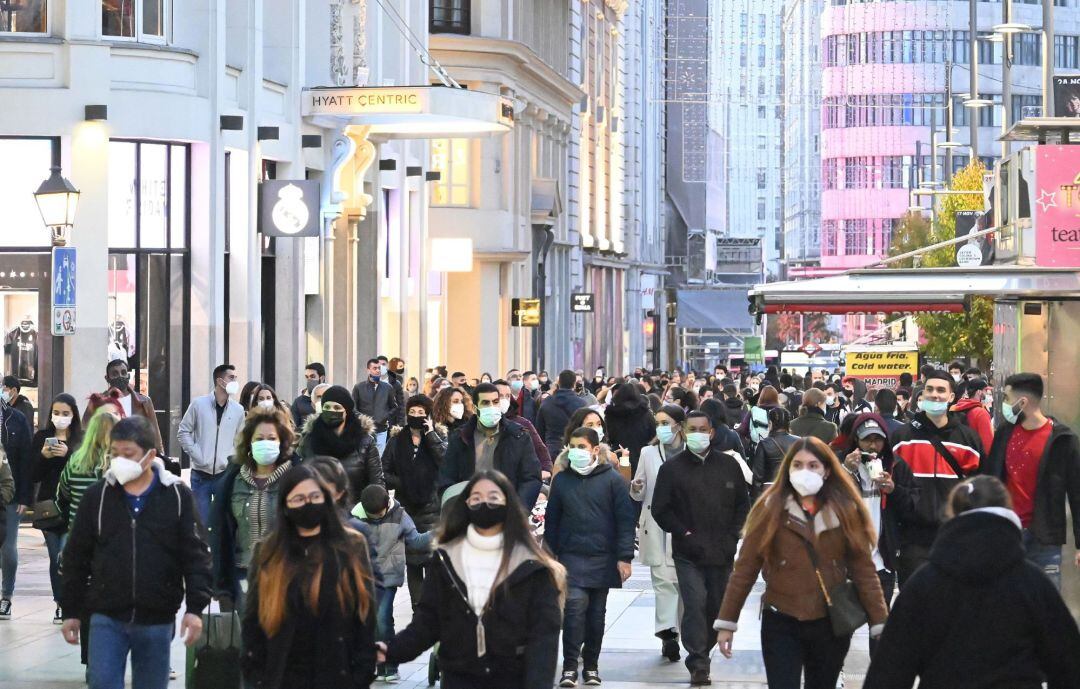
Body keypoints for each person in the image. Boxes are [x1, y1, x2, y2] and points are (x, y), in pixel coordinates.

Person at [863, 476, 1080, 689]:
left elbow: (889, 672)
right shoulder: (1033, 584)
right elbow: (1068, 663)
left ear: (952, 516)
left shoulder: (923, 585)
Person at [714, 436, 888, 689]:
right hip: (781, 618)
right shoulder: (770, 508)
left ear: (827, 470)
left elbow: (864, 571)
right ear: (788, 470)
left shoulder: (845, 511)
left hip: (830, 621)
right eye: (797, 465)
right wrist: (727, 622)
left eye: (813, 465)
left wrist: (879, 621)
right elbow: (745, 569)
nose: (804, 472)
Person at [61, 416, 212, 689]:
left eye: (128, 454)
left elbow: (195, 556)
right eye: (114, 453)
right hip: (106, 614)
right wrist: (71, 609)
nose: (120, 460)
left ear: (150, 455)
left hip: (156, 616)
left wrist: (195, 608)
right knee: (102, 682)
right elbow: (76, 556)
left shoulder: (176, 497)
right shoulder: (99, 496)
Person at [377, 470, 565, 689]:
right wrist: (391, 650)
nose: (484, 503)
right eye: (476, 498)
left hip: (512, 678)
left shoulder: (531, 566)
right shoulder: (446, 560)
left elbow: (543, 640)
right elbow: (427, 623)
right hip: (459, 676)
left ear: (509, 505)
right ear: (465, 505)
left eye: (493, 498)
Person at [241, 464, 377, 689]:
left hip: (337, 673)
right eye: (299, 499)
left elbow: (365, 614)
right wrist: (256, 676)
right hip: (283, 674)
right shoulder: (268, 552)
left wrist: (362, 673)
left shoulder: (351, 546)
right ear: (285, 506)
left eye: (315, 496)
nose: (308, 504)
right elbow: (252, 621)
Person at [651, 411, 751, 686]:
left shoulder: (729, 466)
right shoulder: (671, 469)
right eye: (692, 428)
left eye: (702, 428)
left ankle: (704, 651)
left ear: (712, 432)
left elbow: (743, 504)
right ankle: (698, 661)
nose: (698, 433)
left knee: (716, 606)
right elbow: (661, 509)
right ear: (683, 431)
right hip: (688, 552)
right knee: (695, 603)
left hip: (722, 551)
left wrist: (733, 536)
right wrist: (683, 532)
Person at [545, 427, 635, 687]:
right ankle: (570, 667)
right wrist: (552, 554)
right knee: (573, 610)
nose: (576, 451)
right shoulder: (562, 480)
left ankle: (591, 666)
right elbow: (553, 520)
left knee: (596, 614)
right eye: (572, 446)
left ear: (596, 450)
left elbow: (625, 520)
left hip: (603, 558)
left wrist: (624, 557)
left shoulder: (613, 480)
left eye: (582, 447)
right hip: (571, 556)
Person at [982, 372, 1080, 589]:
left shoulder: (1063, 440)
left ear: (1022, 402)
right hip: (1005, 536)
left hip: (1044, 538)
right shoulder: (1005, 434)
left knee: (1045, 609)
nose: (1005, 405)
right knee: (1006, 606)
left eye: (1007, 399)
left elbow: (1076, 492)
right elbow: (990, 480)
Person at [889, 369, 983, 585]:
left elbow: (979, 489)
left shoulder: (968, 439)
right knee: (915, 607)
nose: (934, 395)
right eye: (929, 389)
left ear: (951, 397)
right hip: (912, 539)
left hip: (956, 538)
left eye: (941, 390)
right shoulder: (902, 438)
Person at [209, 409, 295, 611]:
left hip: (283, 574)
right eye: (259, 438)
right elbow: (220, 531)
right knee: (244, 639)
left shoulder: (295, 479)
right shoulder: (233, 480)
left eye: (271, 438)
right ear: (249, 443)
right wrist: (220, 585)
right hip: (241, 573)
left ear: (281, 441)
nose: (265, 442)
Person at [55, 409, 116, 669]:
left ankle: (90, 658)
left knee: (86, 599)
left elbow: (61, 496)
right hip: (110, 544)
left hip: (79, 543)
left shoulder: (76, 461)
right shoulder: (116, 464)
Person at [836, 414, 900, 656]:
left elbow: (910, 505)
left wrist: (894, 490)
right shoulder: (841, 466)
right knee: (842, 625)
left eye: (877, 440)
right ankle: (836, 671)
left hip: (881, 563)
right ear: (856, 442)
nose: (872, 446)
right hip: (847, 563)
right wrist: (845, 470)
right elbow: (826, 500)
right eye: (866, 440)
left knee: (881, 627)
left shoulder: (895, 467)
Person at [357, 484, 433, 682]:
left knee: (381, 618)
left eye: (379, 514)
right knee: (373, 621)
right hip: (365, 575)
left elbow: (415, 540)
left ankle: (390, 664)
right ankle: (379, 663)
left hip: (388, 576)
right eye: (372, 516)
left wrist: (439, 533)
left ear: (387, 504)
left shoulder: (399, 515)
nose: (376, 518)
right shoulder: (356, 517)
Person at [629, 405, 686, 662]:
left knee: (684, 584)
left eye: (666, 422)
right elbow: (638, 491)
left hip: (685, 526)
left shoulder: (691, 452)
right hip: (655, 524)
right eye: (658, 423)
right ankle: (668, 634)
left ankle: (683, 630)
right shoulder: (648, 453)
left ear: (679, 425)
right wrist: (636, 487)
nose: (662, 427)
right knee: (663, 582)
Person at [381, 394, 445, 610]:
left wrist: (431, 435)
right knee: (413, 562)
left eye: (421, 412)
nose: (416, 416)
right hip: (406, 508)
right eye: (413, 412)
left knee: (432, 559)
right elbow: (384, 471)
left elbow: (445, 462)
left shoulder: (438, 437)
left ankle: (433, 605)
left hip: (432, 506)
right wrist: (404, 482)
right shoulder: (396, 440)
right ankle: (418, 608)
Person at [440, 383, 543, 508]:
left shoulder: (518, 436)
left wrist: (518, 510)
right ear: (475, 407)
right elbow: (446, 478)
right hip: (470, 512)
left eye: (495, 402)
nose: (492, 407)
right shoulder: (460, 437)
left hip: (508, 512)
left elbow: (531, 477)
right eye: (485, 403)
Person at [30, 393, 83, 623]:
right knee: (55, 557)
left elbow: (85, 468)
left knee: (66, 555)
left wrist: (68, 455)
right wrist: (43, 456)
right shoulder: (42, 437)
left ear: (73, 415)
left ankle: (71, 602)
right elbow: (33, 475)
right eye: (56, 413)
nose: (60, 418)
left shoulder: (80, 439)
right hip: (49, 506)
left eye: (65, 413)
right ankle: (60, 602)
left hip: (74, 506)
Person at [177, 363, 246, 522]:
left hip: (225, 474)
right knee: (202, 521)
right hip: (200, 475)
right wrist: (197, 455)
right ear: (220, 381)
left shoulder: (238, 410)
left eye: (235, 377)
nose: (235, 381)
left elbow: (240, 439)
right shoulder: (198, 404)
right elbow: (183, 431)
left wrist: (231, 458)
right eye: (231, 377)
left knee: (225, 521)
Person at [298, 385, 383, 505]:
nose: (331, 411)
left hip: (354, 512)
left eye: (337, 407)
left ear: (346, 411)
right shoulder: (310, 439)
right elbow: (300, 475)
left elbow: (377, 482)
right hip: (318, 510)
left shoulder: (364, 442)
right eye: (327, 407)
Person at [0, 383, 32, 621]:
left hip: (8, 491)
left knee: (8, 547)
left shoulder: (16, 419)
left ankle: (6, 596)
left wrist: (24, 495)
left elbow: (25, 458)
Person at [85, 360, 165, 452]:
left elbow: (154, 431)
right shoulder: (98, 401)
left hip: (137, 454)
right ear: (107, 378)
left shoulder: (144, 401)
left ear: (128, 375)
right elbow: (86, 429)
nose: (120, 377)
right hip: (107, 455)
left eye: (123, 373)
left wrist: (160, 454)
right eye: (115, 373)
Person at [494, 379, 553, 479]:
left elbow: (543, 456)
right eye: (500, 396)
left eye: (507, 396)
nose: (504, 400)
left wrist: (533, 479)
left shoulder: (522, 423)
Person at [604, 382, 656, 477]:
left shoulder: (611, 414)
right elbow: (652, 434)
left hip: (619, 453)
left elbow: (611, 436)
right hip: (642, 454)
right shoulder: (645, 413)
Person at [536, 370, 589, 460]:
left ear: (559, 383)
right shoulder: (582, 404)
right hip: (575, 449)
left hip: (551, 450)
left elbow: (539, 430)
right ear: (574, 384)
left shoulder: (547, 403)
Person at [352, 358, 400, 456]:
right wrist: (364, 419)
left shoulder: (388, 388)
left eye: (379, 368)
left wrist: (384, 416)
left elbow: (394, 407)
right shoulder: (358, 387)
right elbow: (353, 408)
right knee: (363, 457)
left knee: (379, 457)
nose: (378, 370)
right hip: (363, 430)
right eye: (374, 368)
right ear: (368, 370)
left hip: (381, 429)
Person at [752, 407, 799, 498]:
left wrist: (756, 498)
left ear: (770, 423)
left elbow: (758, 476)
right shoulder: (799, 441)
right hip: (793, 490)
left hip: (771, 491)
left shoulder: (764, 444)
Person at [949, 379, 994, 455]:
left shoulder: (954, 408)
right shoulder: (981, 412)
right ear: (979, 392)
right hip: (976, 457)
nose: (987, 394)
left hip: (957, 454)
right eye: (985, 390)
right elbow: (987, 442)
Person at [290, 362, 325, 428]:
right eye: (307, 377)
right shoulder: (298, 402)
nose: (309, 380)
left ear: (322, 378)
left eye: (312, 376)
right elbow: (294, 427)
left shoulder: (332, 398)